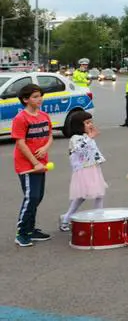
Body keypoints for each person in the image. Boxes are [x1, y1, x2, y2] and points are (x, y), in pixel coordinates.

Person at [11, 84, 53, 247]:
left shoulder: (44, 115)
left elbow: (50, 136)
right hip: (27, 166)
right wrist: (35, 162)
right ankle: (21, 233)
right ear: (25, 99)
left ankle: (31, 229)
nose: (39, 99)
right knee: (31, 197)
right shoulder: (21, 118)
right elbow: (20, 143)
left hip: (41, 164)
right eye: (35, 97)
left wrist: (45, 148)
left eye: (40, 96)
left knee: (38, 196)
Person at [58, 112, 108, 231]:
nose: (90, 124)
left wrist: (98, 160)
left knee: (99, 194)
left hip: (93, 168)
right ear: (78, 125)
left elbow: (93, 151)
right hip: (83, 170)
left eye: (91, 121)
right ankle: (67, 218)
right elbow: (80, 149)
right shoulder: (76, 139)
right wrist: (90, 137)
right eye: (87, 123)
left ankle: (97, 218)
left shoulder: (86, 136)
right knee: (82, 195)